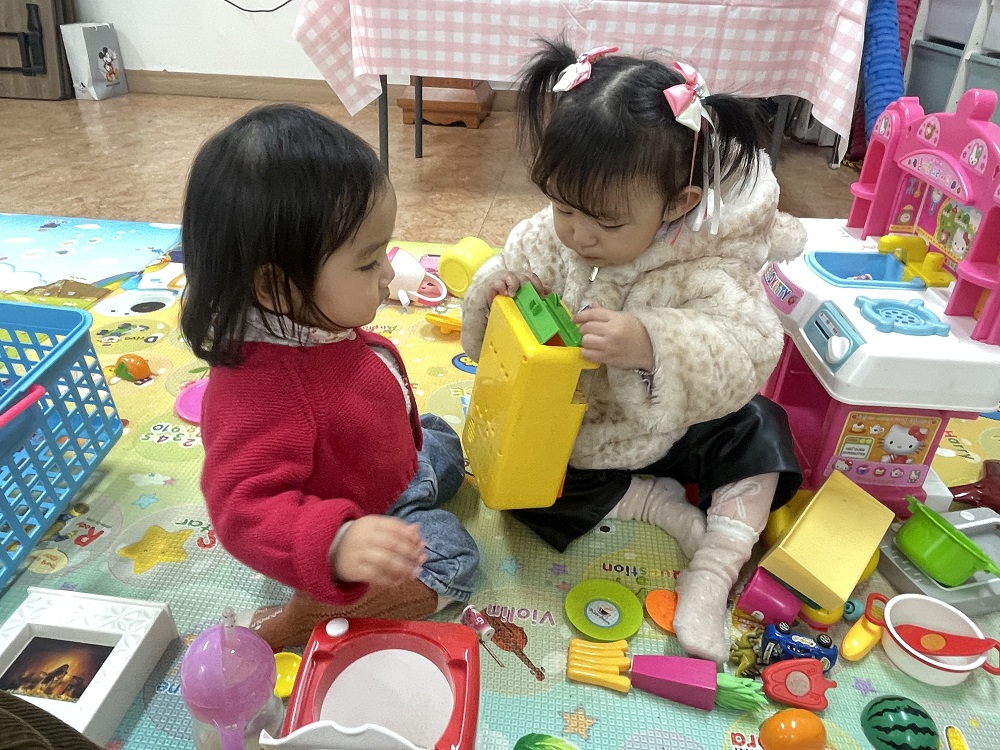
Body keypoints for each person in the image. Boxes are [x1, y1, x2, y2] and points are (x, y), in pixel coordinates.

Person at [461, 41, 805, 663]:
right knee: (516, 488)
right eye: (563, 207)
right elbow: (500, 329)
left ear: (678, 203)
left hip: (674, 428)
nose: (578, 234)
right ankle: (650, 502)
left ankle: (716, 565)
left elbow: (747, 346)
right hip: (582, 433)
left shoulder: (708, 259)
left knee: (762, 429)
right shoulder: (551, 236)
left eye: (607, 223)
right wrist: (501, 292)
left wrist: (650, 343)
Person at [181, 104, 480, 649]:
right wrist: (338, 544)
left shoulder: (306, 317)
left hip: (383, 459)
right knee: (454, 556)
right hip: (353, 515)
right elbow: (243, 511)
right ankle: (306, 616)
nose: (388, 272)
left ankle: (415, 471)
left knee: (444, 442)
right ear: (275, 287)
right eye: (368, 263)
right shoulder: (260, 391)